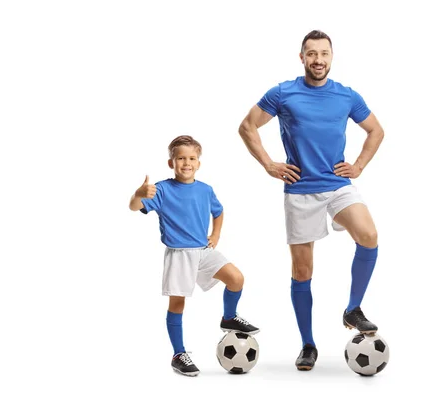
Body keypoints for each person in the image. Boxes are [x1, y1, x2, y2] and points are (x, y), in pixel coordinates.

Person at [237, 30, 385, 371]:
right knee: (302, 271)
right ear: (301, 57)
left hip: (337, 185)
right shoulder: (283, 93)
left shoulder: (347, 96)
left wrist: (359, 165)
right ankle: (308, 344)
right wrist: (269, 164)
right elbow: (247, 126)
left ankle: (353, 308)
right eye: (311, 54)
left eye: (324, 54)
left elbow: (376, 130)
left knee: (369, 236)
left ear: (332, 58)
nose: (318, 59)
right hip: (300, 190)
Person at [129, 135, 260, 377]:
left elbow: (219, 212)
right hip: (179, 255)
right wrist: (138, 193)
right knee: (178, 304)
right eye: (180, 158)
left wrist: (216, 234)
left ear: (199, 163)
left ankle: (229, 317)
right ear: (171, 163)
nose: (186, 163)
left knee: (236, 278)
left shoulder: (205, 189)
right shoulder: (161, 189)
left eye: (191, 158)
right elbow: (134, 207)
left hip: (203, 251)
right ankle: (179, 354)